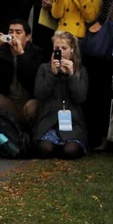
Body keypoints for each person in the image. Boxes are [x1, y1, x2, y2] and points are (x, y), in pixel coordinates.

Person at [33, 31, 89, 159]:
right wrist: (52, 74)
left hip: (72, 122)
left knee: (71, 151)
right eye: (57, 48)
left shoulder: (81, 70)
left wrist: (71, 76)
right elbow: (39, 94)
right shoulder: (44, 68)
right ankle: (56, 146)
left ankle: (64, 147)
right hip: (49, 119)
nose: (60, 51)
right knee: (45, 148)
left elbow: (80, 98)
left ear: (72, 50)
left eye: (64, 48)